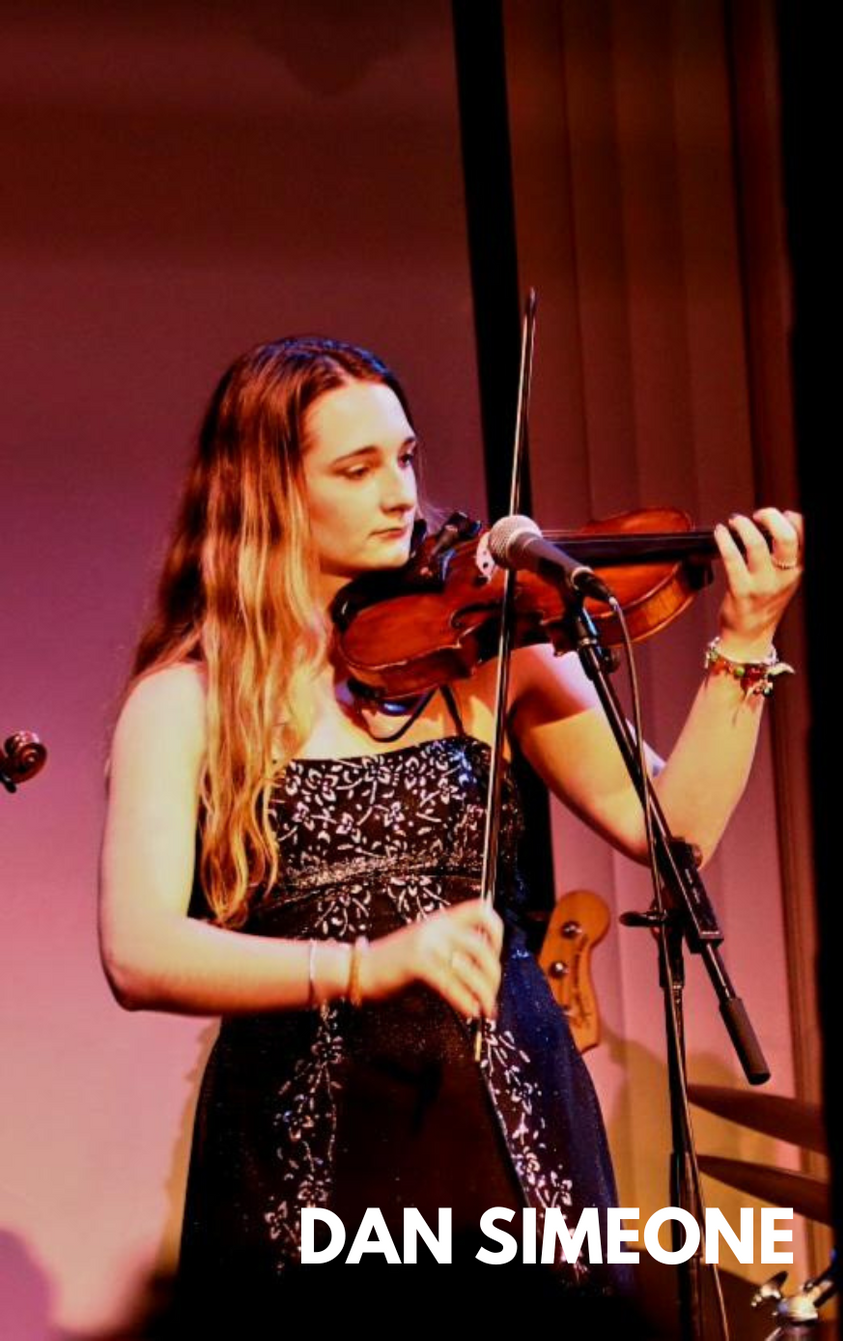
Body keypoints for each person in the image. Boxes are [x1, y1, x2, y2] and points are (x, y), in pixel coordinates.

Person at [98, 336, 802, 1330]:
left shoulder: (482, 650)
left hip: (510, 1123)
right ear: (269, 493)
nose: (401, 492)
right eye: (357, 468)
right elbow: (140, 954)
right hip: (302, 1149)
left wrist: (745, 641)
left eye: (407, 456)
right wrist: (370, 964)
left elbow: (674, 828)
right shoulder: (186, 703)